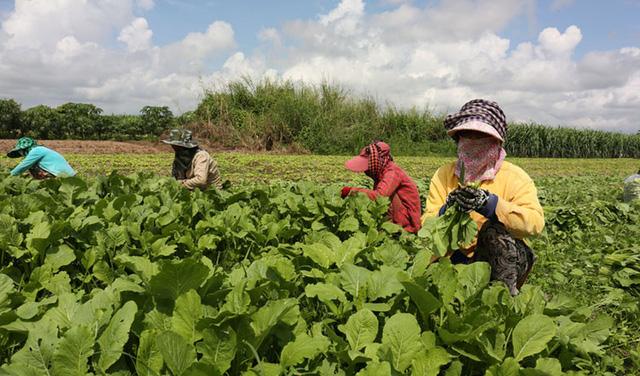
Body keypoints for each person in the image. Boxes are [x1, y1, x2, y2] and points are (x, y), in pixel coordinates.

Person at [423, 99, 544, 295]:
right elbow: (427, 224)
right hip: (454, 255)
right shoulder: (444, 175)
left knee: (494, 231)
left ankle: (501, 298)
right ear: (458, 139)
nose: (474, 142)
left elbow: (535, 224)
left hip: (499, 256)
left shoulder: (514, 176)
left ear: (496, 142)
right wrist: (446, 209)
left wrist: (491, 205)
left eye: (481, 136)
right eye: (468, 136)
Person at [342, 141, 422, 233]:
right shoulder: (381, 173)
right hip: (398, 216)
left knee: (381, 197)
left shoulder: (392, 172)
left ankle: (394, 229)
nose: (366, 171)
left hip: (409, 223)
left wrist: (351, 191)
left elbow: (380, 196)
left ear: (377, 160)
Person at [6, 137, 75, 179]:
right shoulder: (40, 149)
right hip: (66, 175)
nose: (20, 154)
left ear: (24, 149)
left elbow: (23, 166)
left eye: (20, 151)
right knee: (33, 168)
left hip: (64, 176)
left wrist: (8, 177)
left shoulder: (36, 150)